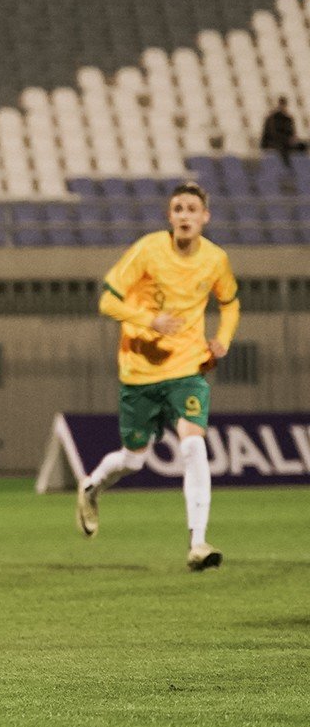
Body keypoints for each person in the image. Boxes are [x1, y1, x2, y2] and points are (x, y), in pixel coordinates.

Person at [77, 182, 238, 571]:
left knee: (193, 446)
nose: (184, 215)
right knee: (134, 460)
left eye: (191, 209)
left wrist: (223, 340)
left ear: (205, 217)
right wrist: (150, 320)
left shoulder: (216, 259)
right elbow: (107, 301)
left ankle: (197, 543)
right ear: (170, 217)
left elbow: (230, 304)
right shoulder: (148, 250)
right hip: (139, 371)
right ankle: (91, 487)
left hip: (187, 369)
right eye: (178, 209)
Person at [259, 97, 304, 164]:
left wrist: (292, 139)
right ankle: (287, 166)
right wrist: (287, 139)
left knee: (302, 146)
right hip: (273, 142)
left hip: (285, 142)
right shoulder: (272, 118)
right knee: (282, 147)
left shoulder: (288, 119)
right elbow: (272, 134)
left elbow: (292, 133)